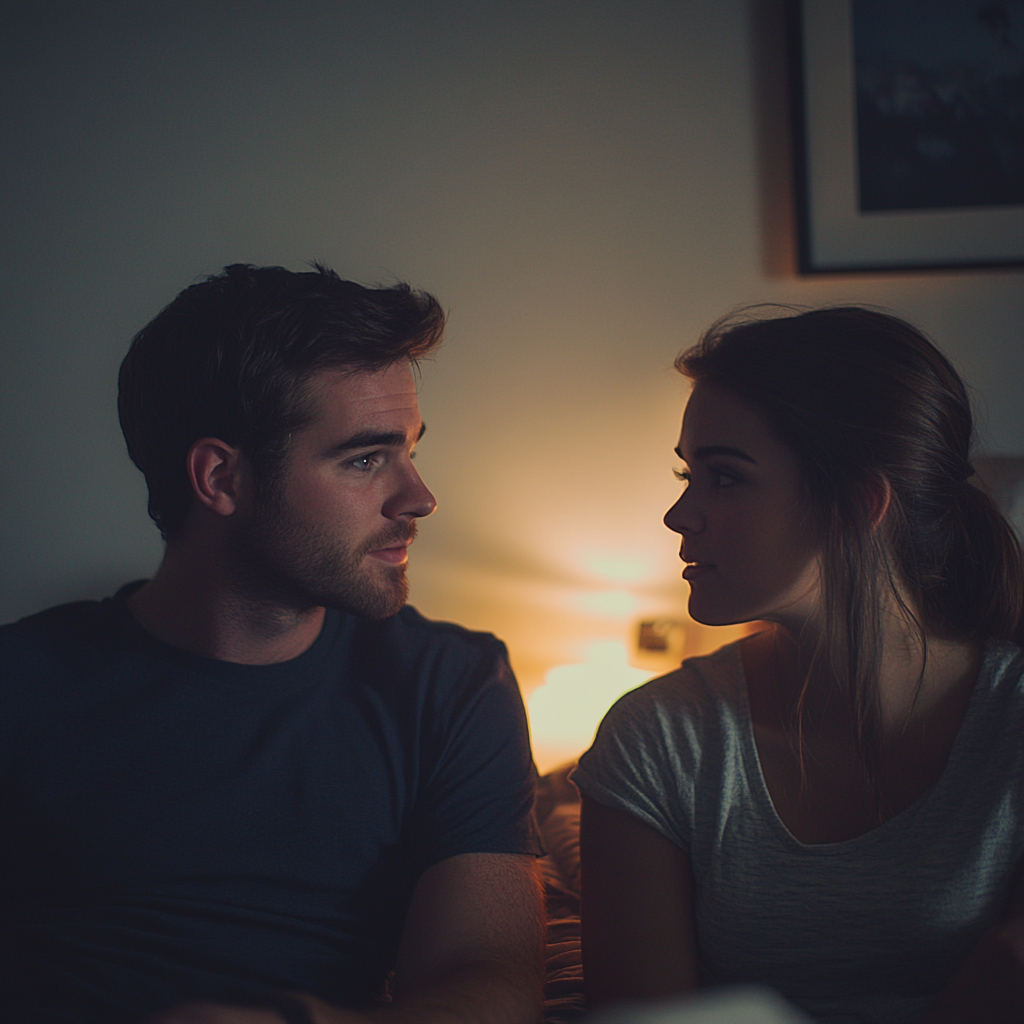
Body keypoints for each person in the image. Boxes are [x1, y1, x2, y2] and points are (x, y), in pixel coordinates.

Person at [0, 264, 545, 1024]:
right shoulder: (20, 681)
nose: (418, 498)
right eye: (365, 459)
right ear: (221, 478)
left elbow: (491, 984)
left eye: (411, 450)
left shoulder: (452, 683)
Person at [572, 307, 1024, 1024]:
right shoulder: (659, 741)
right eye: (688, 474)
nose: (678, 515)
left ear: (857, 503)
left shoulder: (1010, 726)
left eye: (724, 477)